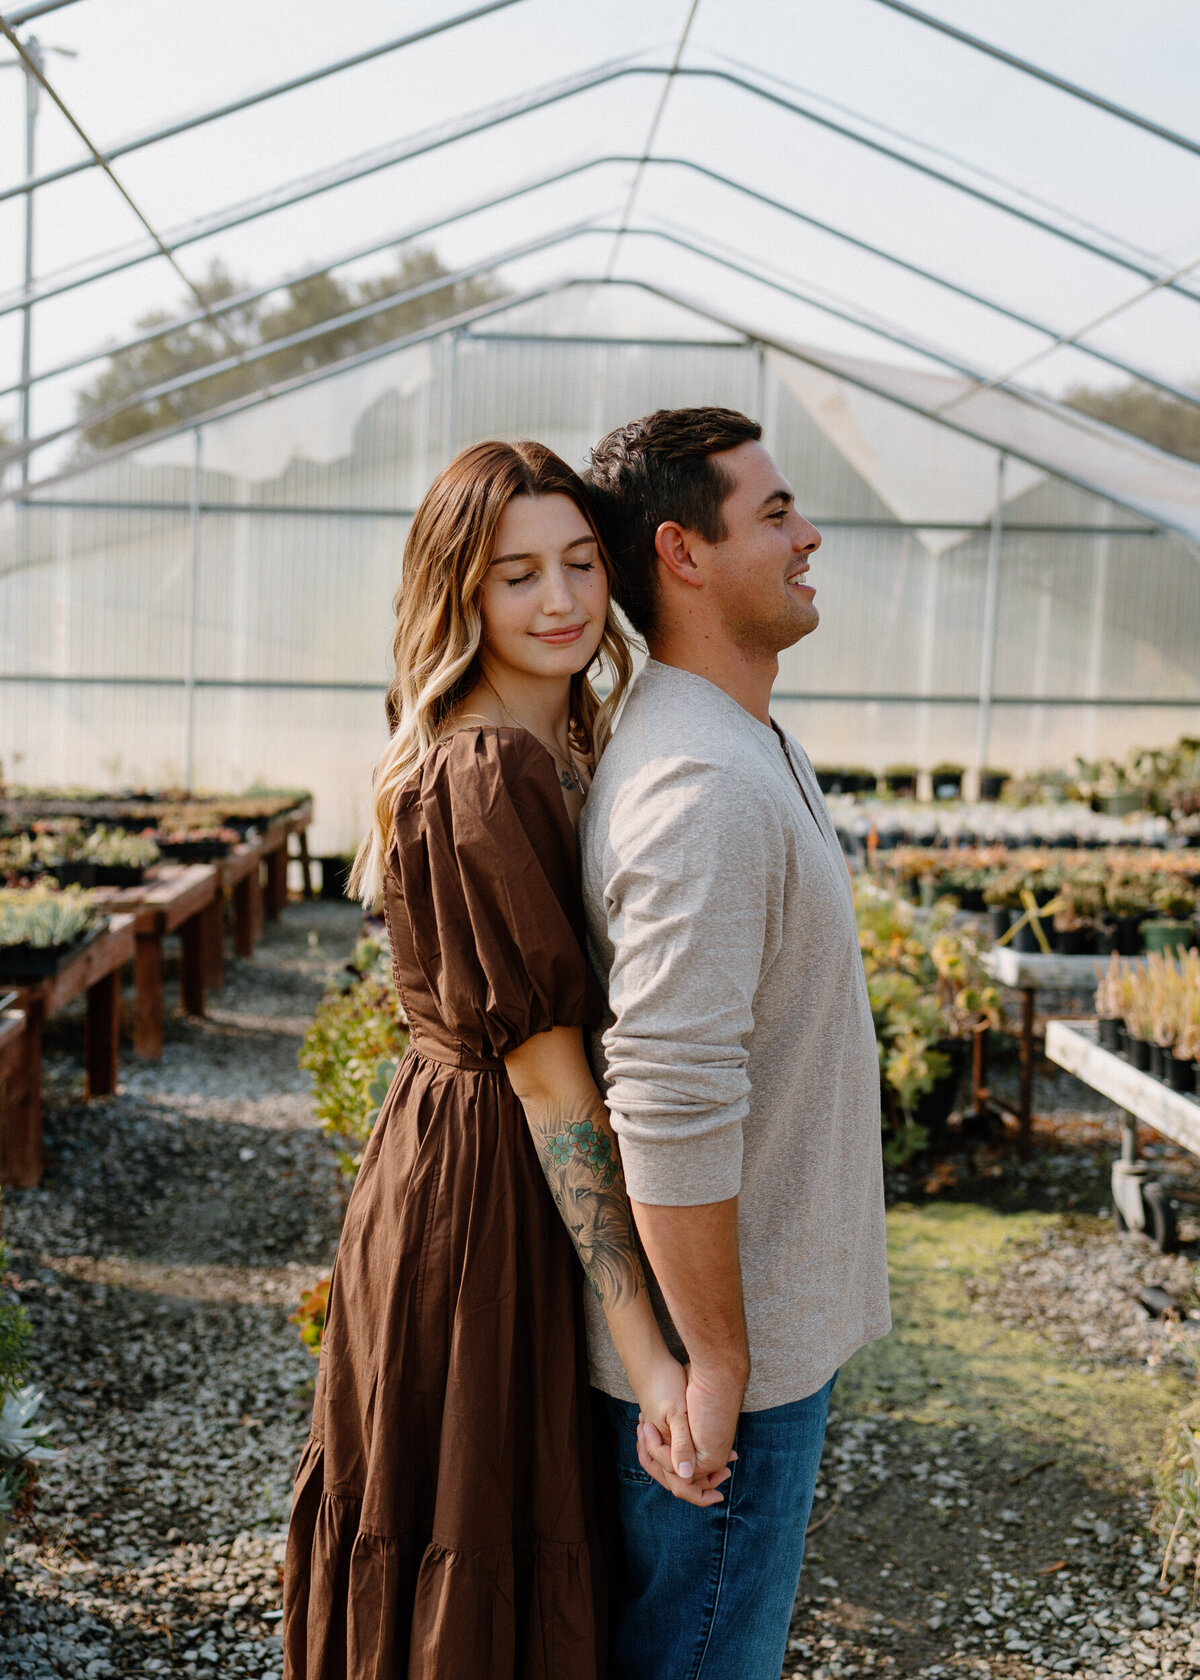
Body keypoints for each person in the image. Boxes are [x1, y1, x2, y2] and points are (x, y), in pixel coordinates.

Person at [281, 439, 729, 1680]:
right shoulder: (487, 769)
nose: (563, 602)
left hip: (456, 1153)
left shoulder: (559, 742)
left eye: (582, 564)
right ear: (461, 594)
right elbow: (547, 1079)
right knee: (481, 1515)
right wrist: (655, 1362)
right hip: (487, 1184)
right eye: (517, 575)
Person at [581, 407, 892, 1680]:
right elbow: (665, 1093)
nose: (810, 534)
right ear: (683, 553)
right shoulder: (699, 787)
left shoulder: (742, 739)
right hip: (729, 1385)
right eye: (774, 514)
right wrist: (713, 1361)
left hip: (752, 1347)